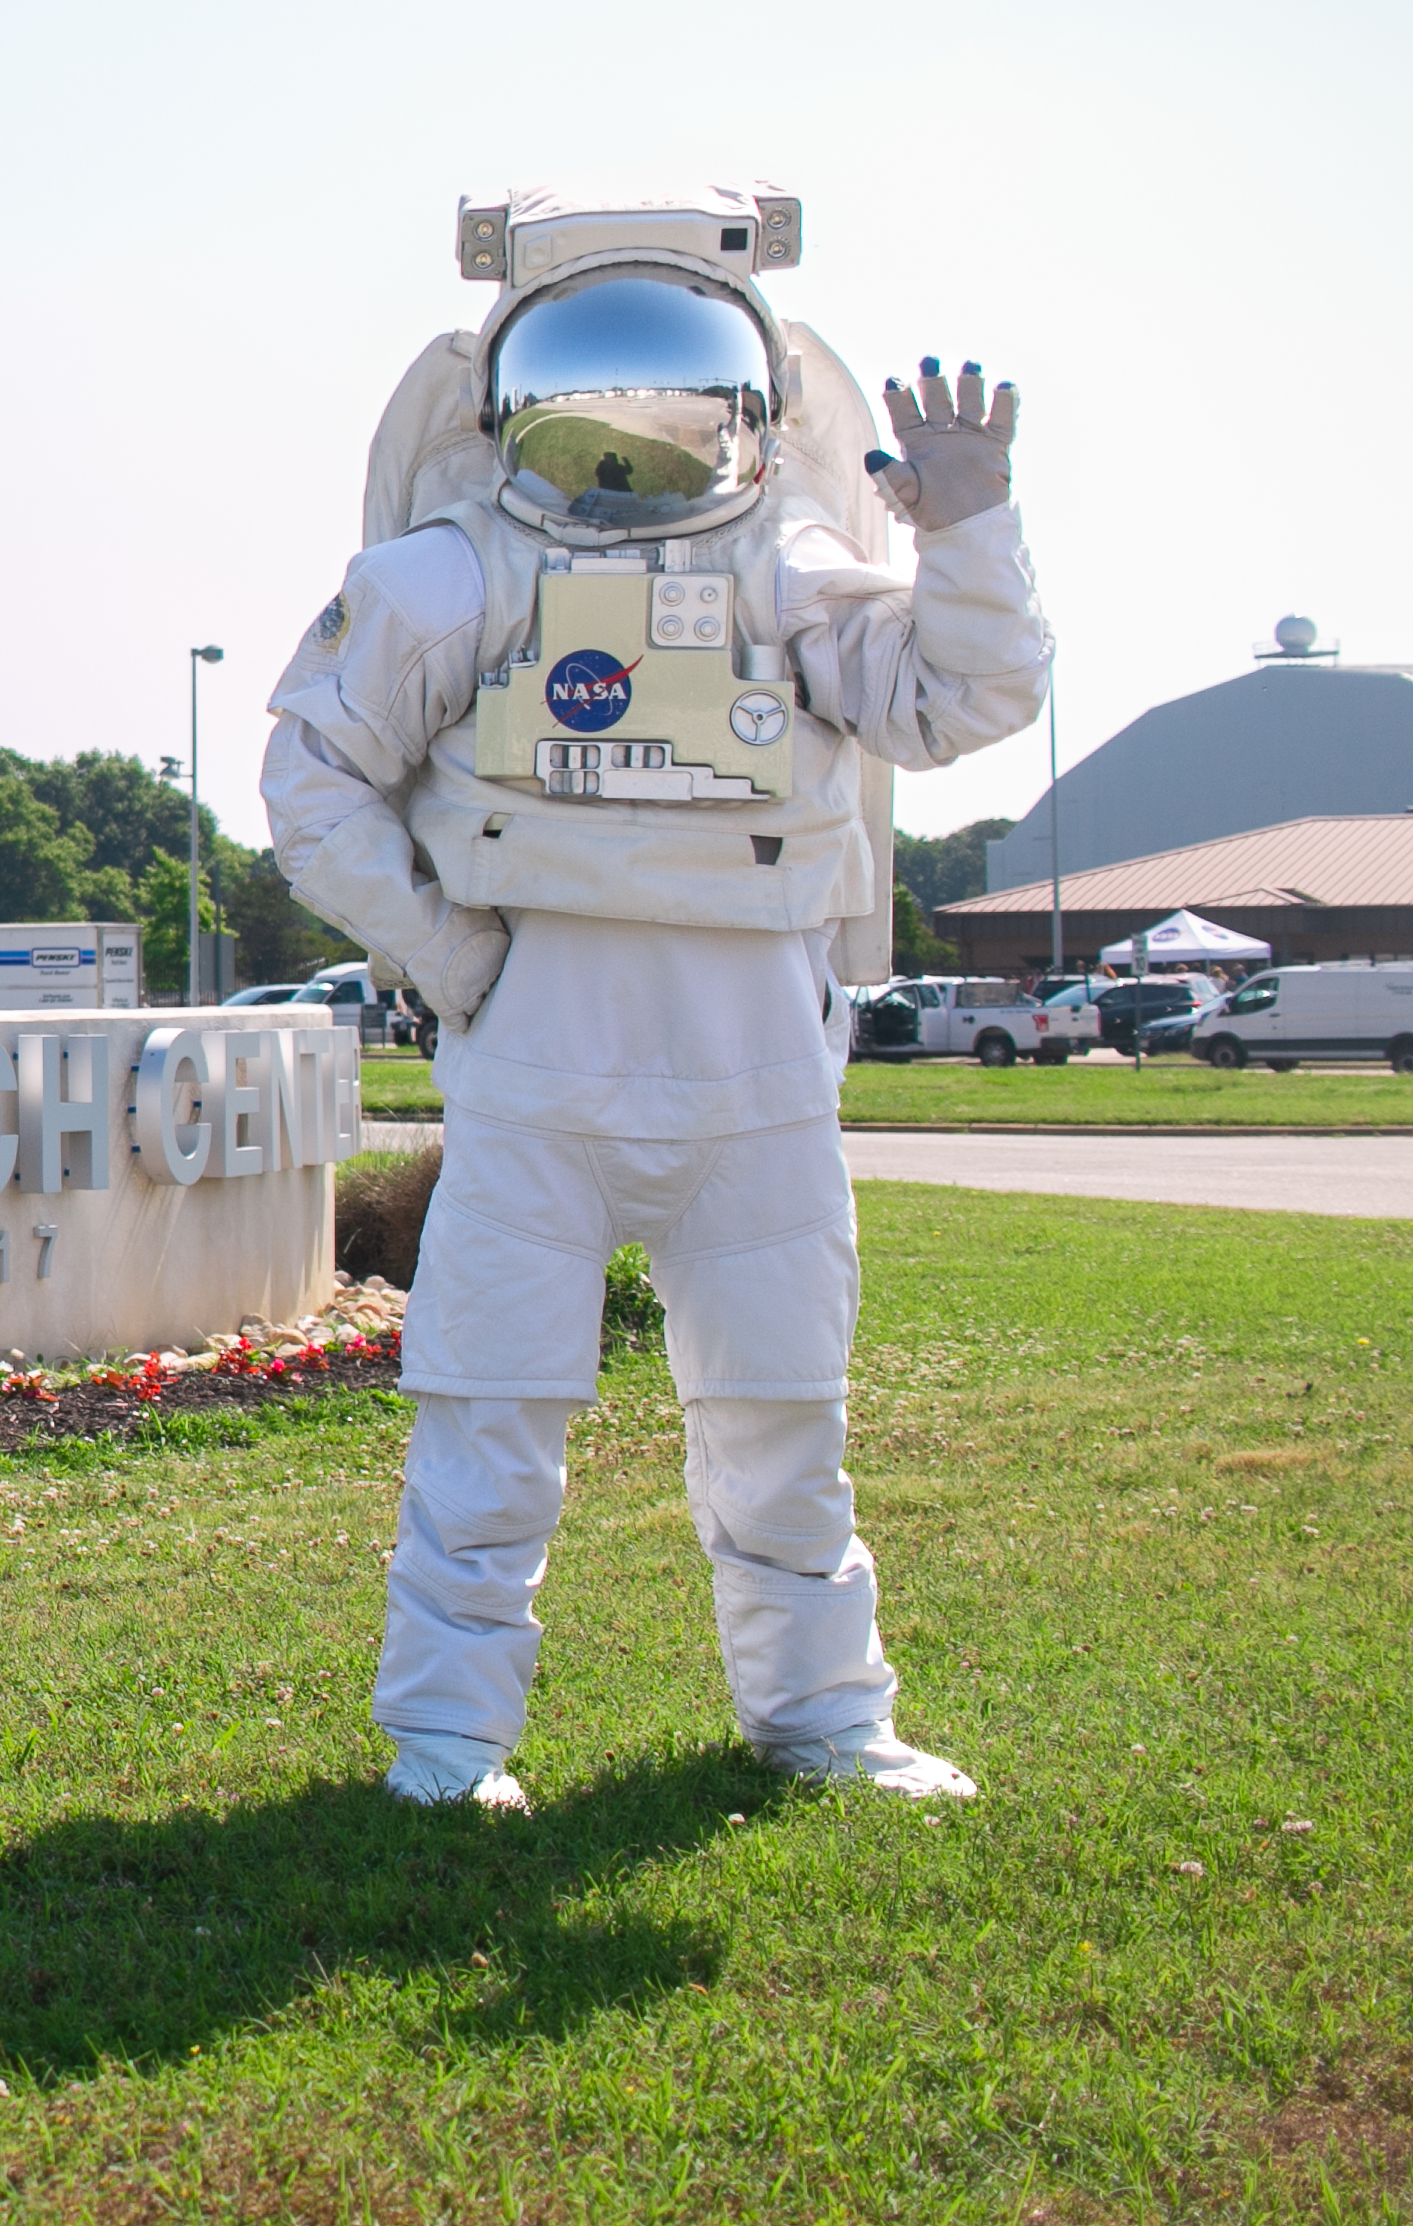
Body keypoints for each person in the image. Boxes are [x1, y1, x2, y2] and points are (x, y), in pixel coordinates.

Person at [260, 184, 1049, 1810]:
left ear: (752, 412)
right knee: (490, 1420)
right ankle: (446, 1741)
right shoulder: (446, 576)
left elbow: (959, 695)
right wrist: (454, 954)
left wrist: (967, 528)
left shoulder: (794, 565)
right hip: (544, 1061)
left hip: (752, 1069)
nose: (633, 435)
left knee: (782, 1417)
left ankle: (825, 1719)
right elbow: (314, 779)